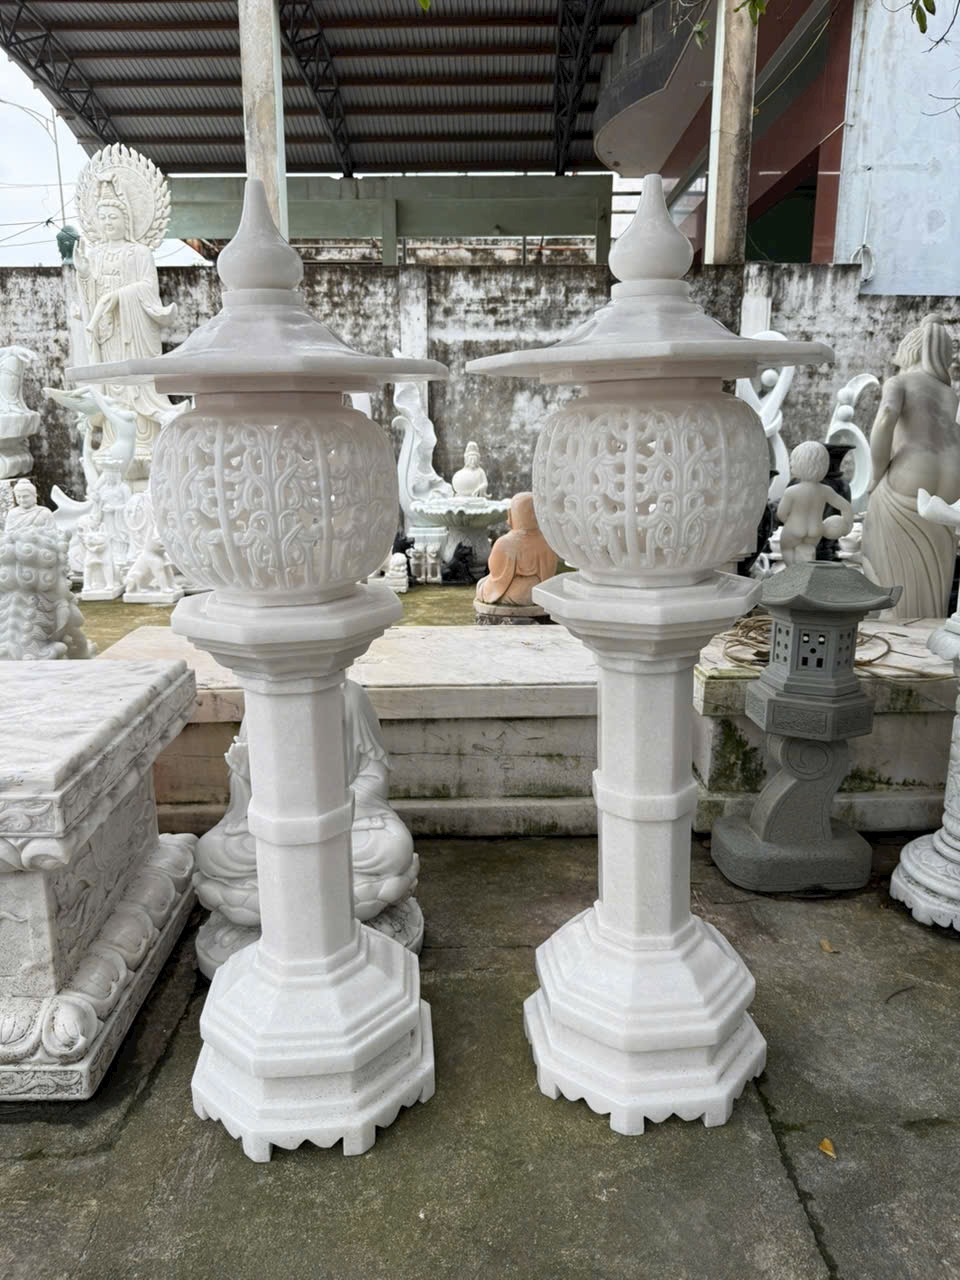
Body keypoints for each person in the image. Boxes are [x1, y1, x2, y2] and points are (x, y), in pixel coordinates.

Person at [861, 316, 960, 618]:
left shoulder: (899, 382)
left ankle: (897, 625)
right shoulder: (950, 394)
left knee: (887, 568)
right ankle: (927, 624)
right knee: (936, 572)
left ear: (910, 350)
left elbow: (886, 418)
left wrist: (875, 475)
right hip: (950, 482)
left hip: (910, 471)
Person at [475, 492, 558, 606]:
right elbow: (550, 573)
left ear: (511, 514)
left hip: (517, 592)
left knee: (481, 584)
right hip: (538, 589)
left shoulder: (505, 543)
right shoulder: (547, 541)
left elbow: (496, 573)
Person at [776, 443, 853, 565]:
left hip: (794, 528)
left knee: (787, 550)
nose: (791, 463)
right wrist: (847, 527)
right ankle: (806, 574)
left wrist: (789, 522)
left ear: (800, 465)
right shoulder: (826, 490)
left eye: (793, 461)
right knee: (808, 557)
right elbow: (846, 506)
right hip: (816, 530)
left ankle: (792, 573)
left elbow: (781, 514)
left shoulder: (791, 491)